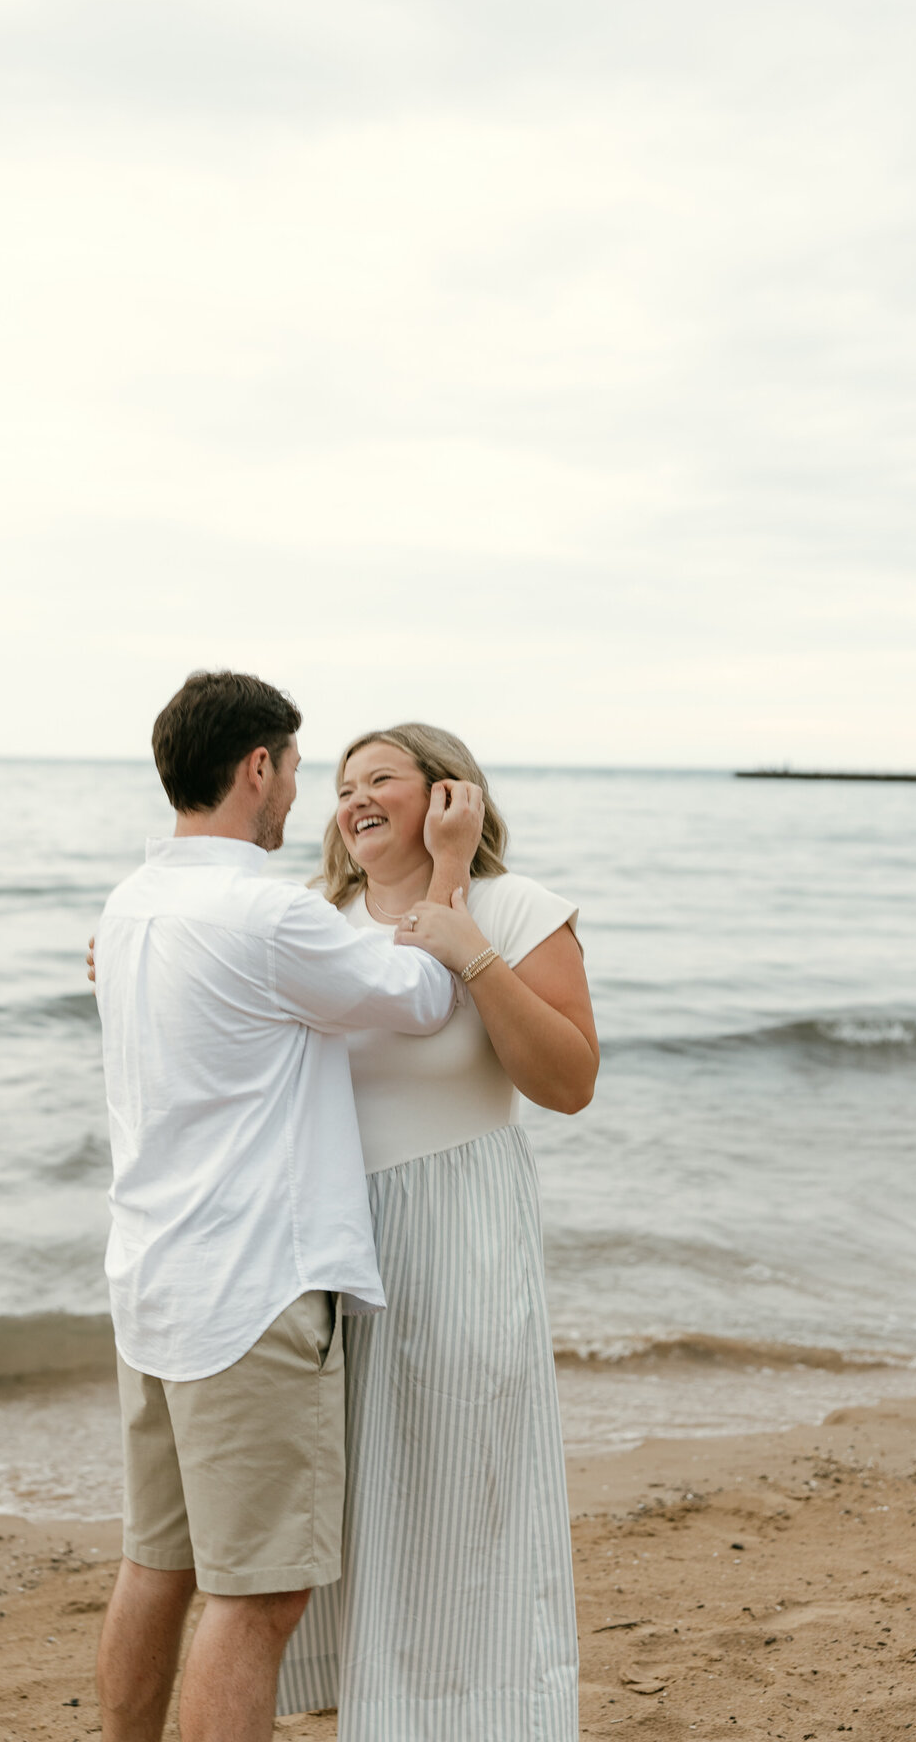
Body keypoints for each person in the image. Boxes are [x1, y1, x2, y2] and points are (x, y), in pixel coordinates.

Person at [89, 674, 470, 1742]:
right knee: (257, 1598)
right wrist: (445, 865)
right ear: (257, 766)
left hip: (152, 1282)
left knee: (156, 1561)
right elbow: (425, 997)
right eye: (300, 768)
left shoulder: (129, 907)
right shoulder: (265, 911)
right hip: (250, 1294)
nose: (303, 793)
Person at [275, 723, 598, 1742]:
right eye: (340, 785)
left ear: (449, 796)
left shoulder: (515, 906)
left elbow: (569, 1082)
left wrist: (477, 958)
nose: (354, 798)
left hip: (457, 1226)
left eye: (382, 778)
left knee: (468, 1483)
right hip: (333, 1239)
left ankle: (497, 1715)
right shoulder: (315, 918)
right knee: (357, 1496)